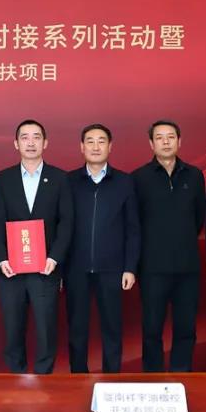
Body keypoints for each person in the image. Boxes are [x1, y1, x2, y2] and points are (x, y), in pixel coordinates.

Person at [0, 119, 73, 374]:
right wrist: (2, 258)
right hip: (11, 270)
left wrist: (55, 257)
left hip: (45, 269)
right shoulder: (4, 178)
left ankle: (44, 378)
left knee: (46, 330)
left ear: (45, 143)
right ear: (16, 143)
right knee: (12, 329)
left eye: (36, 137)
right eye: (24, 137)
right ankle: (16, 378)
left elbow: (67, 222)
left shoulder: (59, 178)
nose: (30, 142)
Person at [132, 120, 206, 372]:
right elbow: (135, 222)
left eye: (171, 137)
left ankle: (182, 377)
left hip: (187, 267)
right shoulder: (139, 177)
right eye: (160, 138)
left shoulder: (194, 175)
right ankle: (152, 379)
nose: (166, 142)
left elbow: (199, 218)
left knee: (186, 328)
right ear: (151, 143)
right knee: (152, 329)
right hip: (152, 268)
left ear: (179, 141)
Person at [65, 124, 140, 374]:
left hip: (112, 269)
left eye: (101, 141)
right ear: (81, 147)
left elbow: (133, 229)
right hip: (76, 269)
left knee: (112, 328)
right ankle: (77, 377)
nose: (95, 147)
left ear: (110, 146)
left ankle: (112, 378)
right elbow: (59, 226)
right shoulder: (69, 181)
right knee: (77, 329)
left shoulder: (124, 182)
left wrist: (130, 268)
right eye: (90, 141)